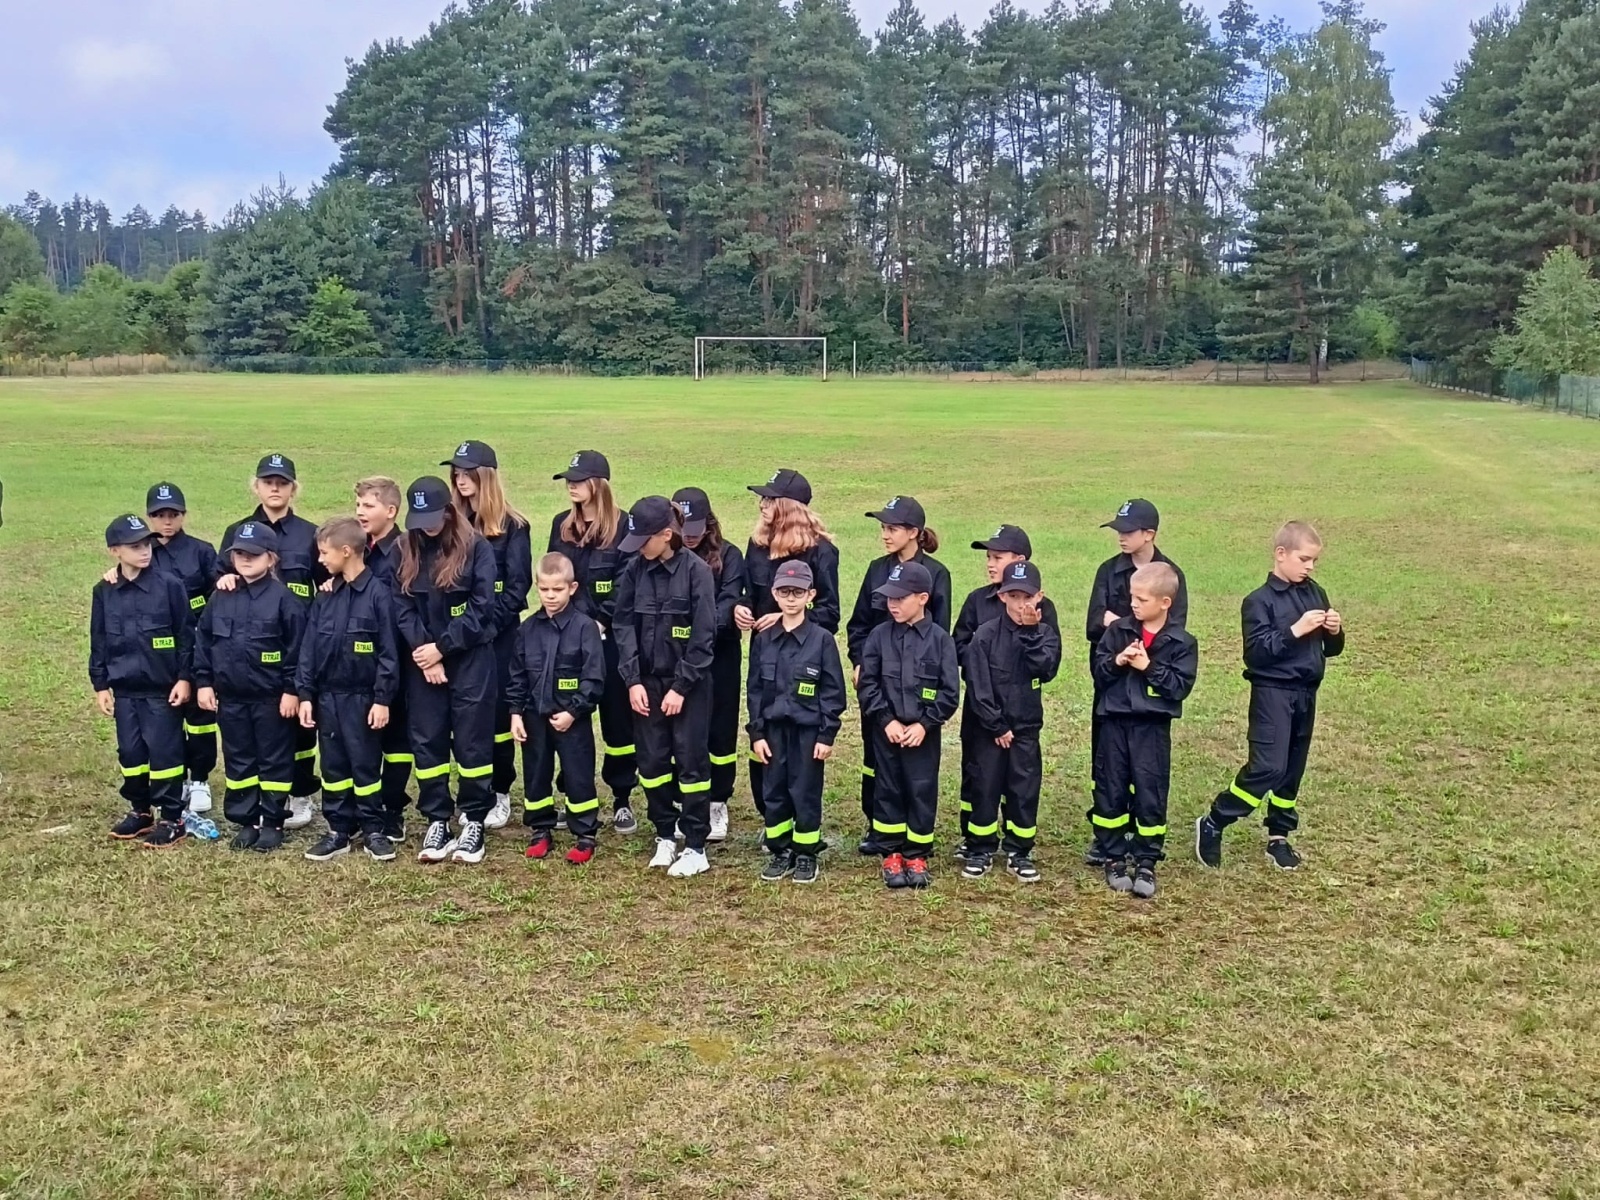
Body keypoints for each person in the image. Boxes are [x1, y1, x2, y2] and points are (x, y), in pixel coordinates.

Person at [1197, 521, 1344, 872]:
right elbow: (1257, 654)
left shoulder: (1316, 593)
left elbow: (1332, 649)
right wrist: (1296, 630)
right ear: (1281, 554)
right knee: (1268, 767)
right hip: (1272, 694)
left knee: (1292, 770)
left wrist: (1335, 632)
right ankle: (1216, 820)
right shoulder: (1258, 601)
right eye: (1304, 559)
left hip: (1306, 694)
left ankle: (1279, 836)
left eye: (1314, 561)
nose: (1310, 567)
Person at [217, 453, 327, 831]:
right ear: (256, 486)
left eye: (282, 483)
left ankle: (301, 792)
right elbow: (221, 577)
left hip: (299, 640)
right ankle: (260, 801)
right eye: (268, 482)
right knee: (263, 728)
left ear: (294, 488)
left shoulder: (310, 534)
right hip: (253, 645)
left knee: (301, 724)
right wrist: (224, 579)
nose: (275, 488)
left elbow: (326, 577)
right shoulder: (237, 532)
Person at [396, 476, 500, 865]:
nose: (426, 526)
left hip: (469, 658)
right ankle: (437, 818)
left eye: (433, 518)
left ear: (449, 511)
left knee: (473, 742)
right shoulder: (403, 549)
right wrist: (426, 653)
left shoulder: (477, 548)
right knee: (428, 741)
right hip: (423, 663)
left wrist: (442, 648)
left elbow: (482, 608)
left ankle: (474, 819)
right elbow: (401, 606)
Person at [612, 496, 717, 878]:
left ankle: (696, 845)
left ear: (667, 535)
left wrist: (681, 686)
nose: (639, 547)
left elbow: (704, 637)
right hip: (646, 685)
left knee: (691, 761)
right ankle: (665, 833)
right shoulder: (634, 570)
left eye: (644, 540)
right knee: (652, 762)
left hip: (688, 686)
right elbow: (623, 624)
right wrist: (632, 680)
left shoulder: (697, 572)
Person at [1083, 498, 1187, 865]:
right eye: (1119, 531)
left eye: (1128, 531)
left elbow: (1174, 634)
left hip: (1149, 693)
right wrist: (1121, 630)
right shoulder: (1108, 571)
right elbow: (1093, 623)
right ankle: (1107, 835)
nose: (1121, 537)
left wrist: (1120, 625)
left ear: (1149, 534)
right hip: (1111, 684)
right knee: (1107, 762)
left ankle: (1143, 840)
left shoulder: (1171, 574)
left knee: (1146, 768)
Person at [847, 495, 950, 855]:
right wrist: (859, 662)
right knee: (877, 755)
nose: (885, 535)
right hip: (879, 682)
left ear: (914, 532)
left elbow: (940, 634)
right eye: (883, 528)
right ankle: (878, 826)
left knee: (916, 765)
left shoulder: (936, 574)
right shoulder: (877, 569)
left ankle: (913, 830)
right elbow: (859, 624)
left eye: (892, 528)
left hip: (917, 689)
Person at [194, 520, 306, 852]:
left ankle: (272, 821)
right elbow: (204, 640)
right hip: (231, 697)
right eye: (239, 553)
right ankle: (247, 820)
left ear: (271, 558)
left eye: (253, 554)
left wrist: (291, 690)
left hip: (271, 698)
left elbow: (297, 650)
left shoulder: (284, 600)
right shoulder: (221, 596)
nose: (245, 559)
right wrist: (203, 682)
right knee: (239, 759)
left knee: (274, 760)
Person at [735, 469, 840, 818]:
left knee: (797, 747)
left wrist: (784, 617)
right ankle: (771, 816)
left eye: (769, 499)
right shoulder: (757, 545)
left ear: (789, 506)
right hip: (765, 655)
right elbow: (751, 593)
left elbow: (829, 613)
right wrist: (742, 607)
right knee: (764, 732)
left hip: (804, 657)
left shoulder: (822, 551)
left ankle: (800, 817)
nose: (762, 505)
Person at [1090, 561, 1198, 898]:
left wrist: (1148, 667)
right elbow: (1099, 672)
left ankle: (1147, 859)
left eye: (1142, 599)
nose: (1133, 604)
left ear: (1165, 603)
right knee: (1111, 789)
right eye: (1132, 597)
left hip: (1151, 729)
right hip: (1114, 724)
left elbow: (1178, 687)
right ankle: (1113, 856)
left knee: (1151, 791)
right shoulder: (1118, 632)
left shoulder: (1181, 642)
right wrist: (1117, 661)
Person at [296, 516, 400, 863]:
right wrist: (306, 695)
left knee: (365, 765)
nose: (320, 559)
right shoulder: (325, 596)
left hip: (363, 698)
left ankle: (373, 829)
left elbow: (388, 653)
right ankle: (338, 830)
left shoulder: (379, 596)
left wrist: (382, 699)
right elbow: (309, 650)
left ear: (345, 551)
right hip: (328, 697)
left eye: (324, 553)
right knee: (334, 767)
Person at [952, 525, 1059, 858]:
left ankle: (1017, 845)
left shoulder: (1043, 610)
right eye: (988, 557)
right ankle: (975, 840)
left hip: (1021, 712)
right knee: (978, 774)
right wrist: (984, 673)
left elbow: (1048, 662)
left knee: (1020, 780)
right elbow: (959, 645)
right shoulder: (977, 601)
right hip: (982, 709)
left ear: (1020, 560)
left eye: (998, 557)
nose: (990, 563)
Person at [856, 560, 960, 889]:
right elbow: (868, 684)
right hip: (886, 732)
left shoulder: (941, 641)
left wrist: (925, 725)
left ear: (923, 598)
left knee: (920, 790)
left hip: (922, 736)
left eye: (900, 598)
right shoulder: (878, 636)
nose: (893, 604)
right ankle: (890, 853)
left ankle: (917, 853)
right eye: (889, 597)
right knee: (887, 789)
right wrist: (885, 720)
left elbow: (949, 692)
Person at [446, 440, 532, 832]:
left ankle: (500, 791)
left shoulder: (514, 527)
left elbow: (517, 587)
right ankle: (469, 789)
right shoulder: (450, 524)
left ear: (486, 477)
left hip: (497, 636)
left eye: (469, 473)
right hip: (459, 636)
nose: (461, 480)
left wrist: (486, 627)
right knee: (461, 715)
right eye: (457, 474)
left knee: (497, 714)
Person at [550, 450, 638, 833]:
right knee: (571, 717)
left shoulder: (623, 526)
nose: (571, 485)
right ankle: (572, 794)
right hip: (569, 639)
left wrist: (600, 621)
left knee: (618, 722)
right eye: (568, 479)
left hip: (610, 637)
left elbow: (626, 582)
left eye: (579, 479)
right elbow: (555, 576)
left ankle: (622, 797)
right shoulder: (561, 525)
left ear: (599, 484)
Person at [93, 514, 193, 849]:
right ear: (115, 551)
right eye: (134, 546)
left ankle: (172, 817)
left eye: (146, 544)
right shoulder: (104, 591)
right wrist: (100, 685)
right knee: (131, 753)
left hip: (161, 690)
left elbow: (186, 636)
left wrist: (184, 678)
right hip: (125, 691)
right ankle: (140, 810)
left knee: (165, 753)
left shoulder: (170, 586)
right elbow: (99, 640)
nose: (145, 551)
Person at [747, 560, 847, 885]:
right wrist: (757, 734)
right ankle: (780, 851)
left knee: (804, 792)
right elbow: (754, 691)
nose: (791, 598)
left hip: (808, 733)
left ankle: (805, 853)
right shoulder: (763, 640)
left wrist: (827, 735)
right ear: (774, 594)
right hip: (773, 732)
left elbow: (833, 692)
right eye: (785, 592)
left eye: (798, 592)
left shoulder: (822, 640)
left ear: (811, 595)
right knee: (774, 791)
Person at [509, 553, 606, 865]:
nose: (550, 596)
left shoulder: (585, 628)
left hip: (572, 720)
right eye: (544, 589)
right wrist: (515, 713)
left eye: (558, 589)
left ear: (572, 588)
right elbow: (517, 675)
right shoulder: (527, 629)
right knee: (536, 773)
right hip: (534, 718)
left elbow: (594, 677)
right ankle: (540, 829)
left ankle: (585, 833)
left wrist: (574, 711)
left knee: (578, 775)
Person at [142, 482, 221, 816]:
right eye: (160, 515)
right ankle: (177, 778)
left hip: (198, 643)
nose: (167, 521)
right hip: (159, 650)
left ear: (183, 515)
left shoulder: (201, 551)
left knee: (200, 717)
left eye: (173, 514)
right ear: (150, 517)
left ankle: (200, 778)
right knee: (166, 715)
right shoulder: (142, 552)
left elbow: (217, 595)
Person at [674, 486, 745, 843]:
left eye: (696, 528)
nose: (689, 536)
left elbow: (728, 602)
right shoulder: (669, 557)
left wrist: (699, 634)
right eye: (683, 528)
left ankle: (718, 800)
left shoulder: (729, 555)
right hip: (678, 656)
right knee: (683, 728)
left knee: (720, 726)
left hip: (719, 654)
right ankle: (683, 798)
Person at [354, 476, 412, 842]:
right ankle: (365, 808)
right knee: (364, 734)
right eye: (358, 505)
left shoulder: (406, 550)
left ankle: (393, 808)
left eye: (368, 506)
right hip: (362, 659)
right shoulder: (355, 547)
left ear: (391, 511)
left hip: (400, 656)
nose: (360, 512)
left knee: (398, 740)